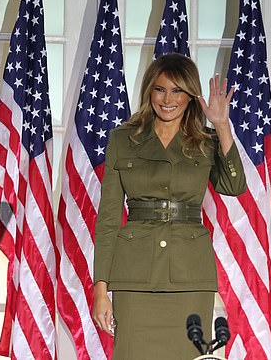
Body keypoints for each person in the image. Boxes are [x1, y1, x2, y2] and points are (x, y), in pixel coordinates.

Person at [92, 53, 246, 359]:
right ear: (149, 91)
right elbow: (108, 219)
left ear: (190, 96)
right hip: (135, 276)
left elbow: (234, 185)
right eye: (161, 89)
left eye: (177, 91)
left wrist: (222, 125)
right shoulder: (123, 139)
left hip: (189, 276)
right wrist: (100, 290)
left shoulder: (207, 140)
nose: (168, 99)